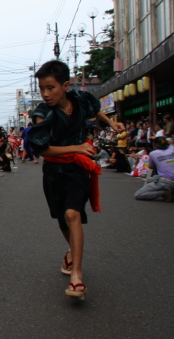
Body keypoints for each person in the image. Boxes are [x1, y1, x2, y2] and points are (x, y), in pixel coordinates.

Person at [26, 60, 123, 300]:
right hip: (54, 172)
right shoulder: (41, 113)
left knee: (73, 214)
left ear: (65, 86)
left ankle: (77, 275)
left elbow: (94, 110)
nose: (46, 94)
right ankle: (72, 252)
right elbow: (44, 150)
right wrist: (77, 146)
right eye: (42, 88)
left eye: (51, 88)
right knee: (62, 220)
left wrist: (111, 122)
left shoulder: (80, 99)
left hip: (78, 170)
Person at [134, 137, 174, 202]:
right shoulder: (172, 148)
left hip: (166, 181)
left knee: (138, 194)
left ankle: (164, 193)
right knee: (156, 177)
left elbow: (151, 167)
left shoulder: (153, 153)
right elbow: (171, 142)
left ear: (155, 145)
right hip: (168, 179)